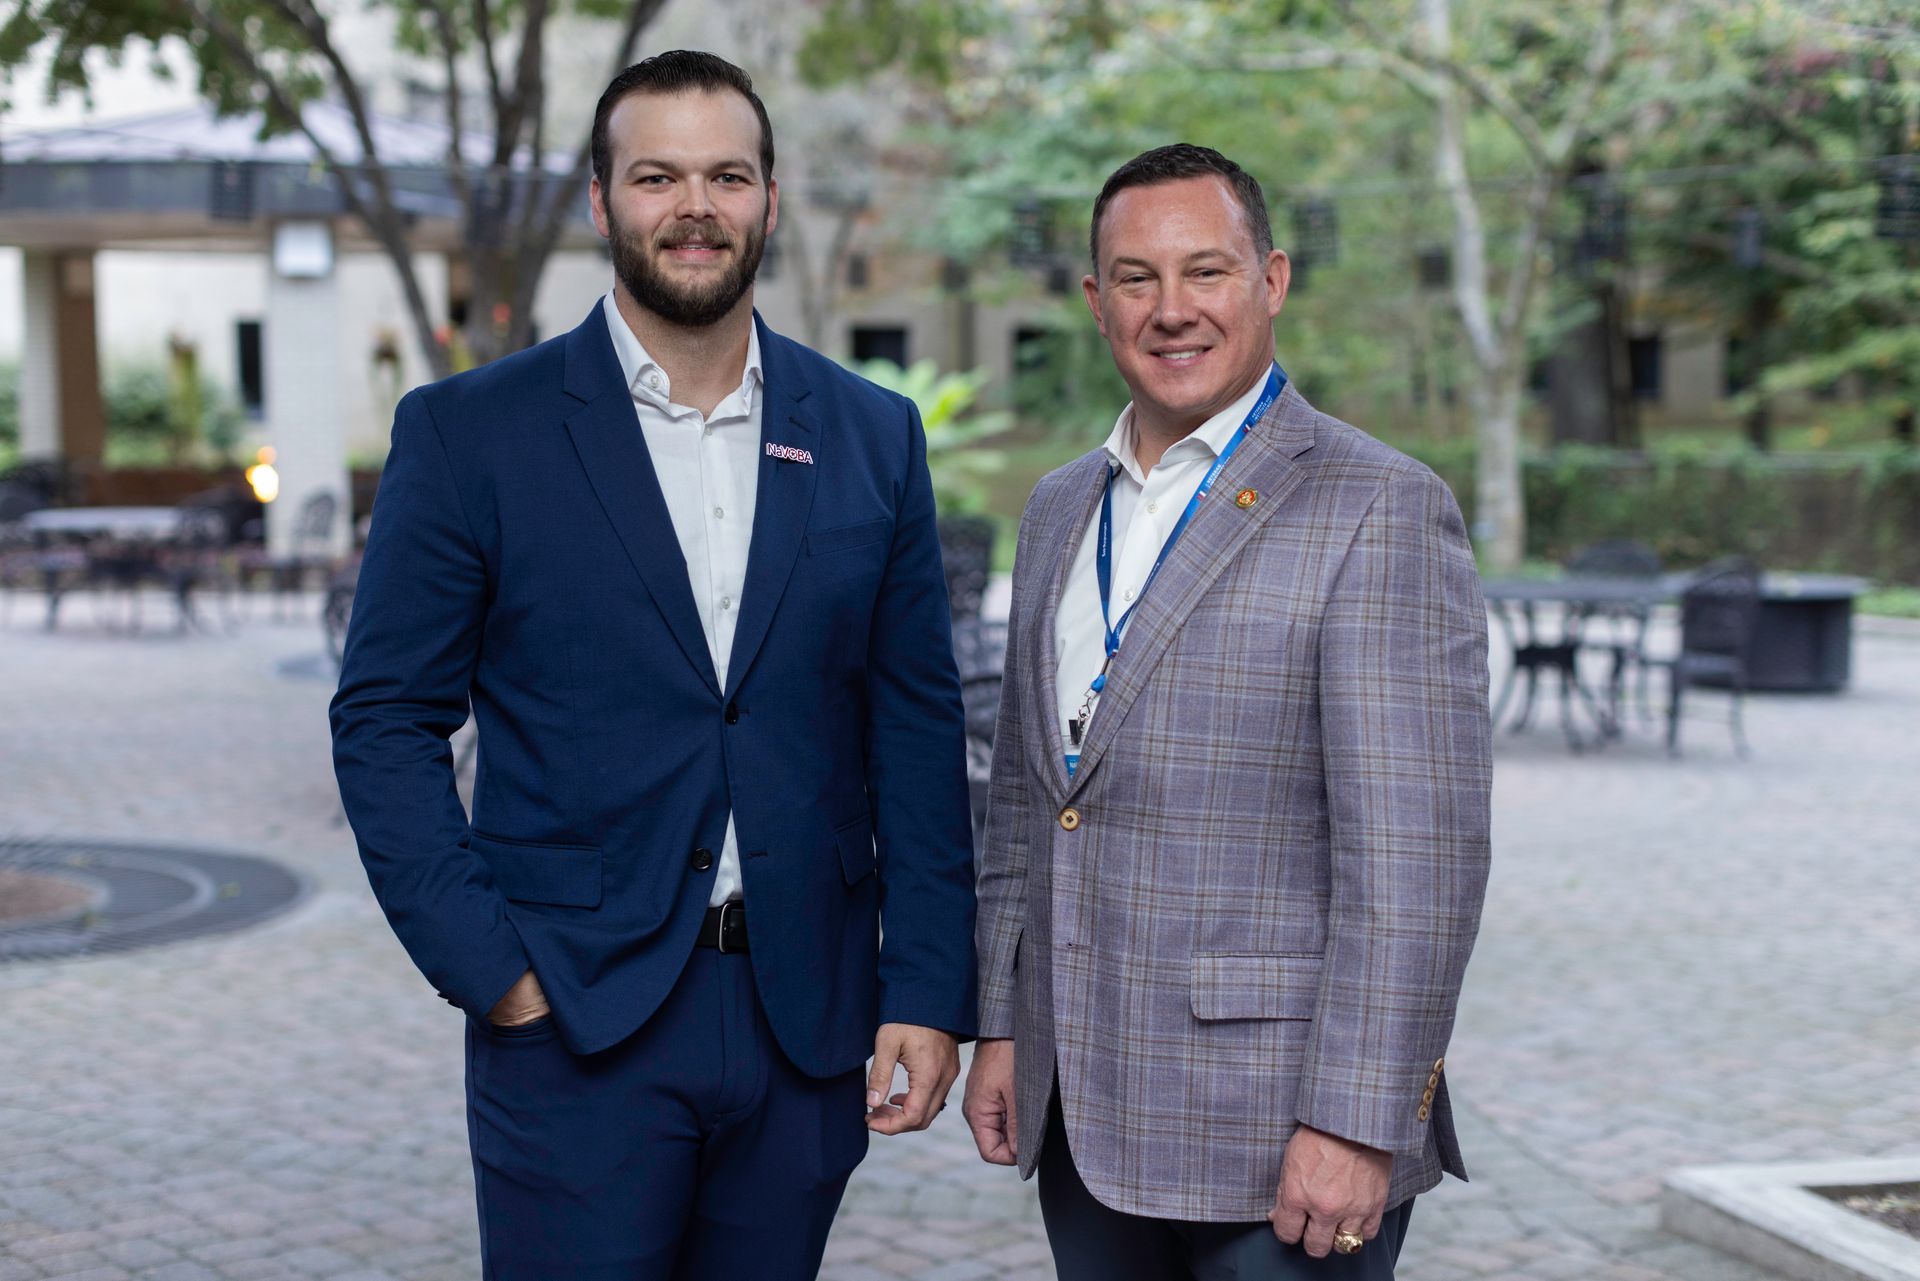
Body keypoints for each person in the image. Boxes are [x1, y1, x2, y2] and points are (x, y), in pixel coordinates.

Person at [330, 50, 977, 1280]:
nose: (696, 206)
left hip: (803, 1021)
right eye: (657, 176)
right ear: (600, 201)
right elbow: (384, 722)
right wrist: (495, 974)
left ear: (770, 200)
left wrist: (927, 986)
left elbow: (913, 724)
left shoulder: (871, 433)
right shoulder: (471, 433)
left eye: (727, 175)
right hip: (575, 1019)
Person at [963, 143, 1492, 1280]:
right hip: (1082, 1111)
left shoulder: (1381, 506)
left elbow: (1416, 864)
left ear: (1272, 281)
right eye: (1137, 278)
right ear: (1097, 301)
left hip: (1282, 1137)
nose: (1172, 309)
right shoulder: (1058, 508)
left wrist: (1358, 1122)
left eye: (1205, 270)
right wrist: (1004, 1022)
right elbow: (1023, 800)